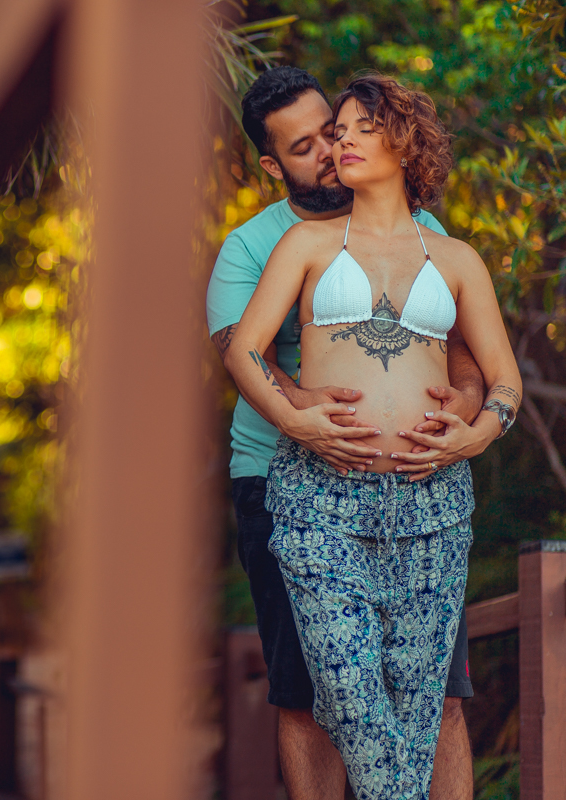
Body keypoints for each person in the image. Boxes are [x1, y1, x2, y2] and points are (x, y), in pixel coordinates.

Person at [225, 73, 521, 800]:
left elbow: (502, 380)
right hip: (318, 500)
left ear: (404, 142)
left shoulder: (456, 259)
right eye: (337, 130)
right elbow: (243, 351)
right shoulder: (302, 243)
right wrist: (294, 419)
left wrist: (472, 437)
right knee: (351, 702)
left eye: (359, 128)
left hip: (433, 508)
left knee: (421, 711)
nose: (342, 141)